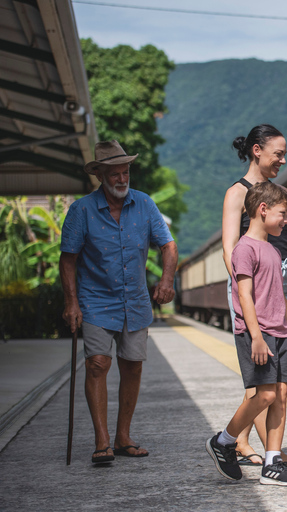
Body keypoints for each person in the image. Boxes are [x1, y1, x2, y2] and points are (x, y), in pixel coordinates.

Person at [59, 140, 178, 464]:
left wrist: (166, 281)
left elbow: (168, 246)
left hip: (136, 301)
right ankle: (102, 441)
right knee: (98, 363)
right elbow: (68, 259)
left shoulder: (144, 204)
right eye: (115, 174)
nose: (122, 179)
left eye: (125, 172)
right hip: (96, 300)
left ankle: (123, 436)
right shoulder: (81, 210)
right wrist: (72, 303)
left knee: (132, 366)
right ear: (101, 175)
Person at [206, 182, 287, 485]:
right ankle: (223, 440)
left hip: (280, 332)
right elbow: (244, 296)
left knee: (280, 396)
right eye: (282, 215)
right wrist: (257, 336)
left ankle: (273, 463)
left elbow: (280, 297)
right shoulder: (244, 250)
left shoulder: (272, 251)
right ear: (263, 210)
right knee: (266, 395)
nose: (286, 221)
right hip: (257, 333)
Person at [222, 124, 287, 466]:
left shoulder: (280, 194)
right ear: (257, 150)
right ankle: (258, 447)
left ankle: (241, 439)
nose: (283, 160)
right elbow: (229, 248)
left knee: (268, 378)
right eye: (278, 154)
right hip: (251, 289)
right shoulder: (237, 193)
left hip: (279, 286)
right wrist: (249, 292)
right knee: (264, 375)